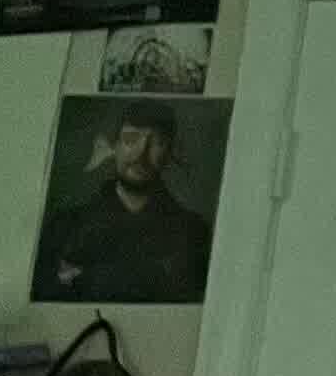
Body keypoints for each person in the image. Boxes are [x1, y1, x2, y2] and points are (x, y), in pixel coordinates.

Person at [38, 100, 211, 300]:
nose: (140, 154)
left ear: (170, 153)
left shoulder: (193, 232)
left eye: (157, 143)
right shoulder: (65, 227)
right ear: (113, 147)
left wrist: (85, 276)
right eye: (130, 139)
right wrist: (158, 275)